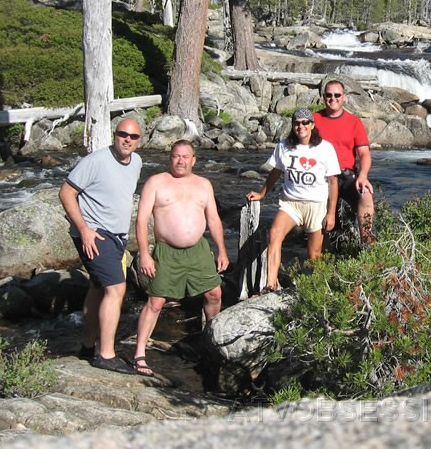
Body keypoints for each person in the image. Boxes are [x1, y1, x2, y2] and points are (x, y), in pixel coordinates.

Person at [132, 139, 229, 377]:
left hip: (198, 250)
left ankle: (211, 340)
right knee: (156, 302)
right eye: (176, 156)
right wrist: (144, 254)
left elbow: (214, 219)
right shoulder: (156, 182)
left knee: (214, 293)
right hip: (167, 251)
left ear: (193, 160)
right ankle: (139, 353)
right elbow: (141, 220)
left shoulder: (204, 184)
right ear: (170, 158)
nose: (180, 161)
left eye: (185, 157)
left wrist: (222, 250)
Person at [59, 118, 143, 375]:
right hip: (95, 234)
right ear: (114, 135)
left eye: (133, 136)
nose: (127, 139)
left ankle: (87, 346)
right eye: (123, 134)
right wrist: (84, 230)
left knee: (98, 288)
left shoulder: (137, 162)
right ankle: (106, 355)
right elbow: (66, 192)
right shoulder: (95, 161)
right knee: (116, 288)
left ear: (139, 141)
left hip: (117, 237)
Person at [246, 108, 340, 294]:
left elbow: (333, 182)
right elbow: (275, 172)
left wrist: (331, 213)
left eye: (305, 122)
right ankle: (270, 285)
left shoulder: (325, 148)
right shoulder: (284, 146)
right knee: (274, 234)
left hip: (316, 205)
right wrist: (262, 193)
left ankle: (318, 290)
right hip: (290, 203)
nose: (301, 126)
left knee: (314, 254)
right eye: (297, 123)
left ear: (312, 125)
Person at [312, 79, 375, 244]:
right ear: (323, 97)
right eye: (329, 95)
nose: (333, 98)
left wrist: (363, 176)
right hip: (321, 177)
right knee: (322, 224)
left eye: (337, 95)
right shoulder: (313, 120)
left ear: (344, 97)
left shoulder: (354, 122)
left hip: (346, 176)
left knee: (366, 195)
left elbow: (364, 153)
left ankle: (366, 241)